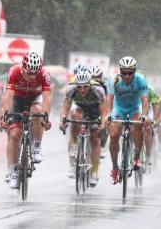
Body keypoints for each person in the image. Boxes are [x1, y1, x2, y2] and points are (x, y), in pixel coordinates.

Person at [0, 51, 52, 189]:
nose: (32, 76)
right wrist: (3, 116)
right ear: (23, 68)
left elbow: (47, 98)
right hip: (17, 99)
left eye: (35, 73)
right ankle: (12, 171)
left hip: (35, 98)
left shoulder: (44, 75)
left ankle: (36, 147)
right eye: (29, 73)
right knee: (14, 135)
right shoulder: (14, 72)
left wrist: (46, 117)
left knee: (37, 112)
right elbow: (8, 97)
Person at [59, 70, 108, 186]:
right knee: (75, 116)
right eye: (79, 87)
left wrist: (102, 123)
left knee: (95, 139)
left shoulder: (98, 90)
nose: (82, 90)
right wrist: (63, 121)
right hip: (80, 108)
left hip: (95, 111)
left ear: (89, 84)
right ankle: (73, 159)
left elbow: (104, 112)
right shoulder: (70, 89)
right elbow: (65, 109)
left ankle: (95, 172)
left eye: (85, 87)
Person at [106, 56, 149, 184]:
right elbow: (109, 98)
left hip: (134, 108)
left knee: (138, 126)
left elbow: (145, 100)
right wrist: (109, 114)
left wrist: (144, 115)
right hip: (119, 109)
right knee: (113, 135)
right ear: (120, 71)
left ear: (135, 72)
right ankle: (114, 167)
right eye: (124, 72)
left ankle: (136, 157)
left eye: (130, 73)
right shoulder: (114, 80)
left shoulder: (141, 80)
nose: (127, 76)